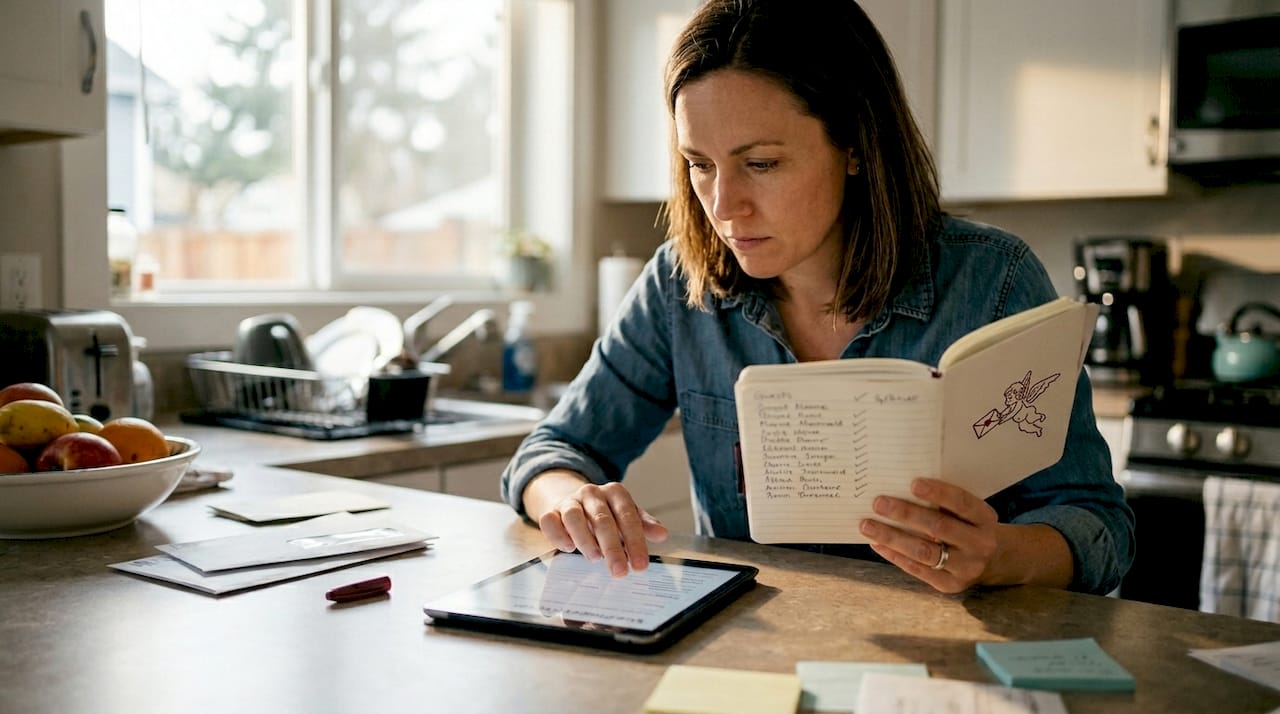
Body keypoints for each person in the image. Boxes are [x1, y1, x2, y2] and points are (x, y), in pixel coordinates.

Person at [501, 0, 1134, 596]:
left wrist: (998, 557)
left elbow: (1098, 525)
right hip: (752, 660)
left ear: (855, 144)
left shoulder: (994, 281)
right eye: (700, 164)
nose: (724, 207)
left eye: (763, 164)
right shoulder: (678, 285)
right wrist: (571, 499)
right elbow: (551, 453)